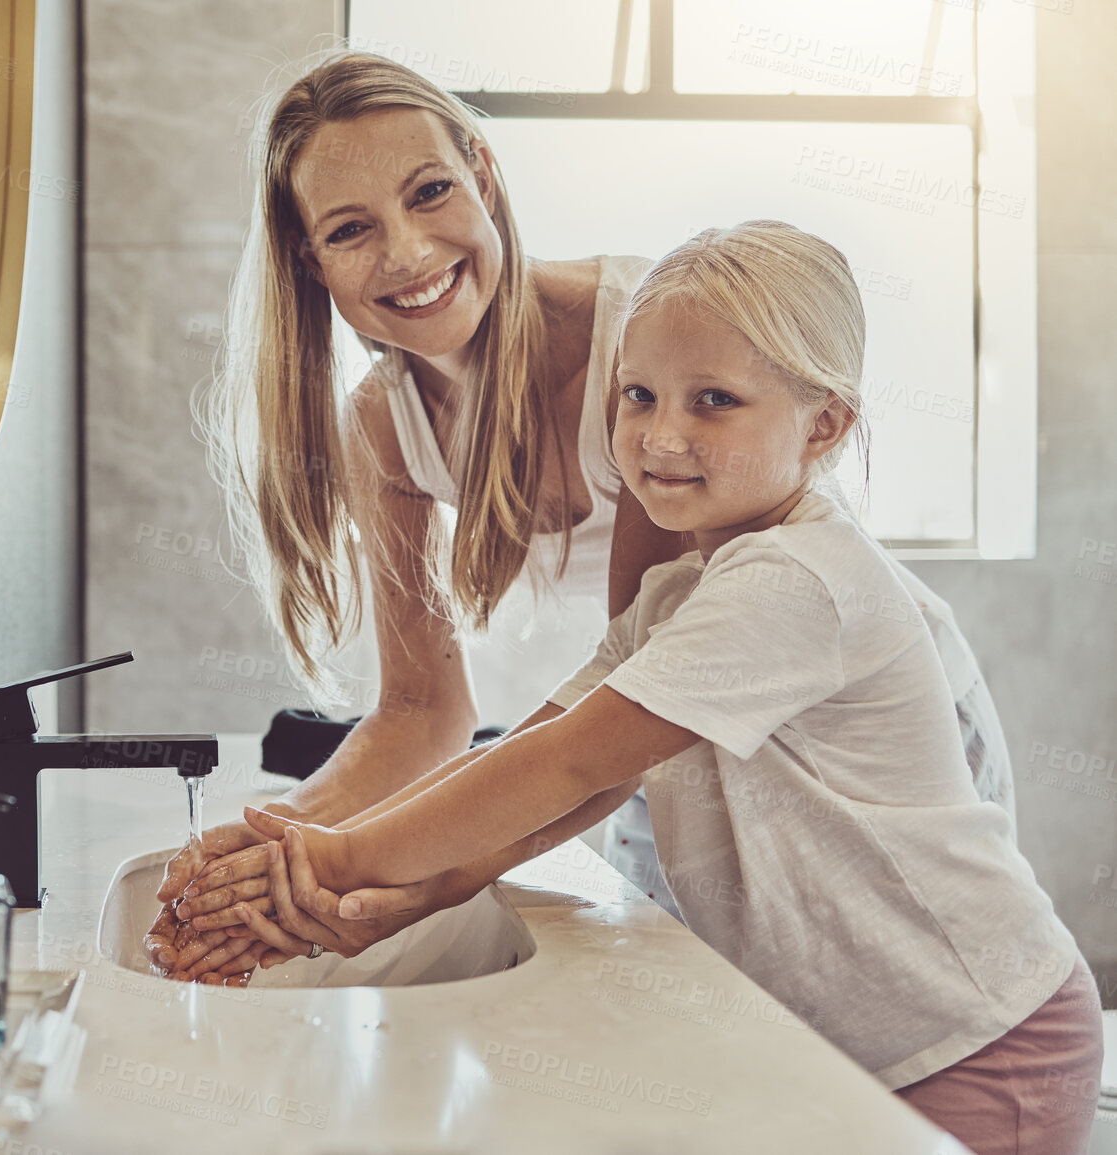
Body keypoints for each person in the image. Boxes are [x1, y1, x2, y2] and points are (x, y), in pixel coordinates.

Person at [215, 221, 1103, 1155]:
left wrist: (333, 861)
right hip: (869, 1044)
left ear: (825, 424)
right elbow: (560, 753)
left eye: (714, 401)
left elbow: (568, 761)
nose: (661, 435)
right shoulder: (682, 589)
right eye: (636, 395)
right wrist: (420, 881)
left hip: (979, 1041)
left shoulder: (795, 578)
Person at [154, 50, 1015, 981]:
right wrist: (260, 856)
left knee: (922, 1001)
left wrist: (346, 864)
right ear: (306, 258)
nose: (405, 252)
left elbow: (623, 700)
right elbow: (419, 711)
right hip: (674, 743)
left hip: (846, 732)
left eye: (431, 191)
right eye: (351, 228)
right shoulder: (384, 427)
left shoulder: (637, 359)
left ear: (484, 175)